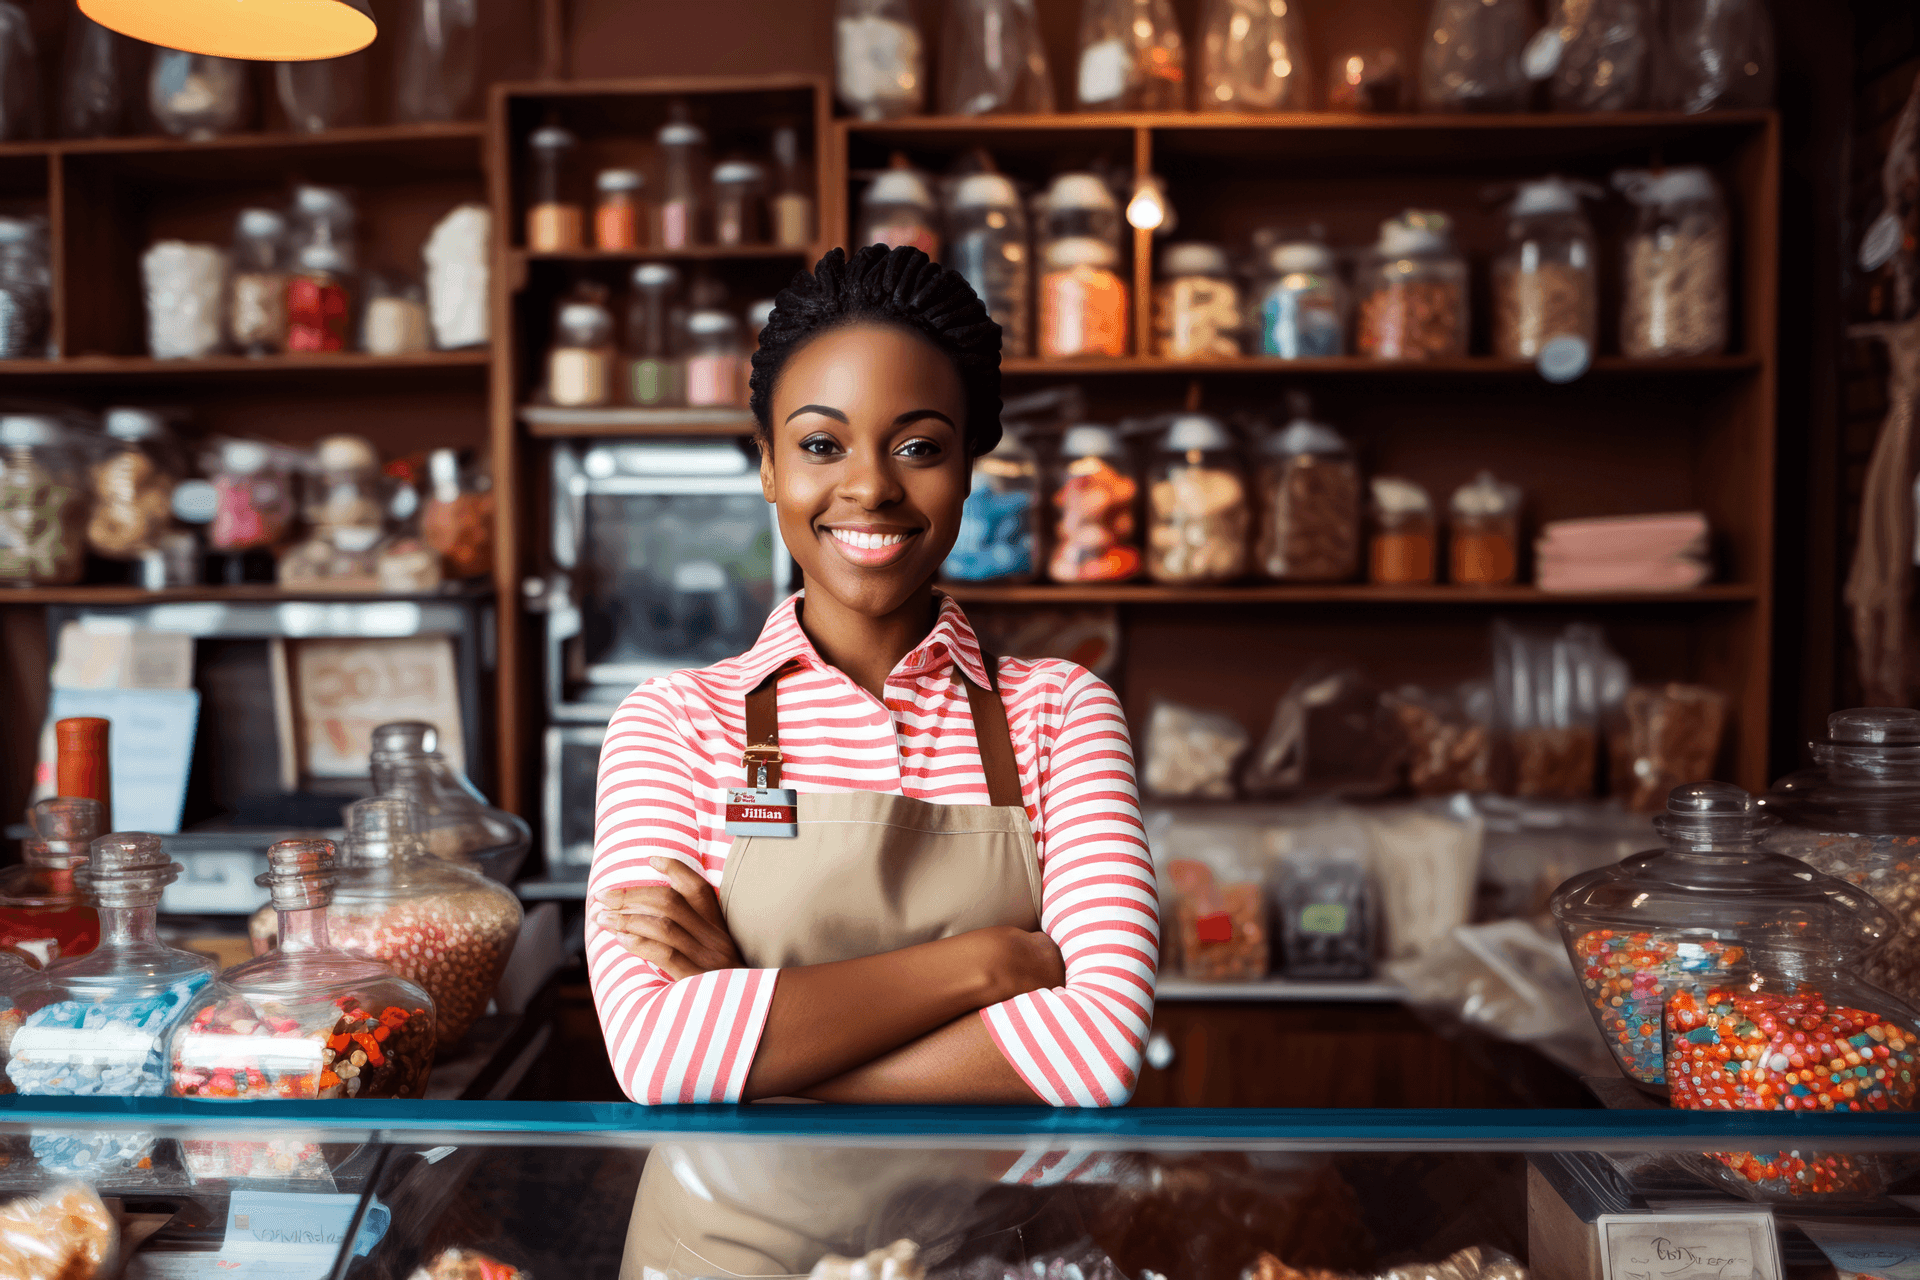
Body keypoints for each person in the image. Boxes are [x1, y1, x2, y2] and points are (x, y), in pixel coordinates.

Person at [586, 243, 1159, 1275]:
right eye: (820, 443)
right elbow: (658, 1053)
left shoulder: (1061, 712)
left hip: (988, 1258)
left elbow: (1097, 1046)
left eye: (920, 446)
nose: (869, 487)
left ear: (971, 463)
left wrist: (762, 1039)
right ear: (767, 463)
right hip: (719, 1259)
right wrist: (991, 964)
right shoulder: (673, 722)